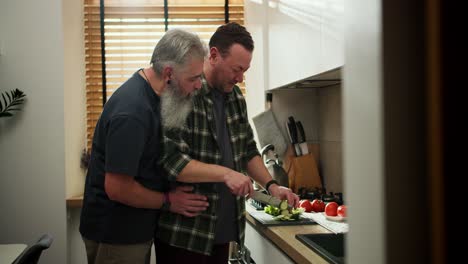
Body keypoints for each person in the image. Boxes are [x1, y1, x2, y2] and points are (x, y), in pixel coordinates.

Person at [155, 22, 300, 263]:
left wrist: (272, 186)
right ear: (213, 55)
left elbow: (247, 150)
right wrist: (226, 174)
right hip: (185, 234)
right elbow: (172, 161)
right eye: (236, 69)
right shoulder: (184, 90)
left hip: (223, 233)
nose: (241, 77)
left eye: (245, 70)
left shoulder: (235, 98)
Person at [79, 29, 213, 264]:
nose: (198, 86)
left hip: (130, 231)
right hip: (116, 235)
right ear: (169, 73)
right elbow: (117, 188)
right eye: (193, 78)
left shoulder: (154, 96)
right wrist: (170, 201)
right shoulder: (133, 112)